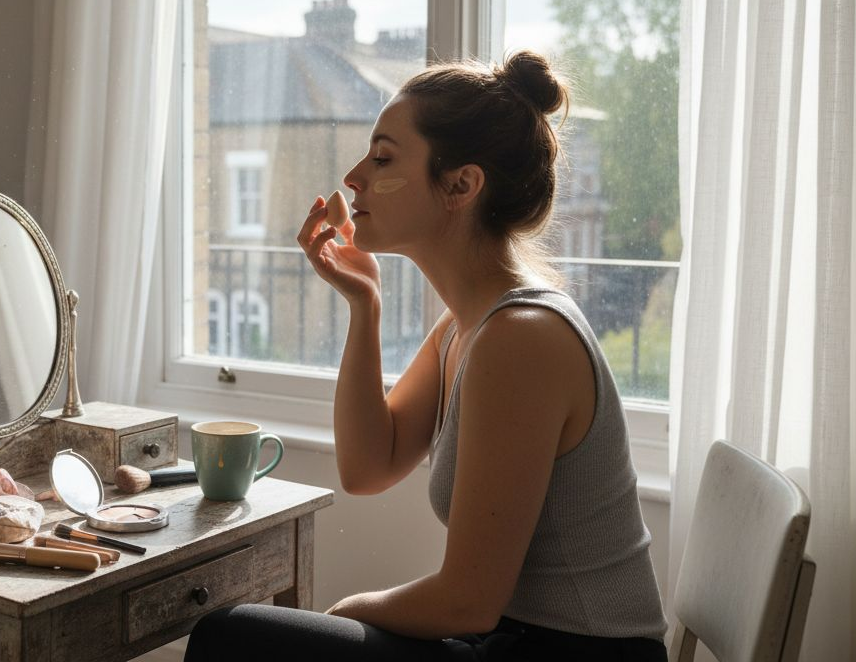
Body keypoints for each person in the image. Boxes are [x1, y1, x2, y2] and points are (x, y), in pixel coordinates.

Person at [184, 52, 668, 661]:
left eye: (383, 158)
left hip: (568, 655)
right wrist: (365, 306)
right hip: (506, 638)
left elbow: (466, 602)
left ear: (461, 185)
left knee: (232, 638)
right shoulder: (466, 327)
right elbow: (368, 467)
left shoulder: (521, 338)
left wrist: (344, 612)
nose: (354, 176)